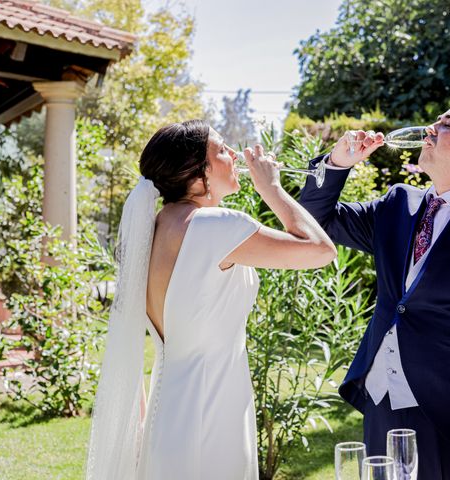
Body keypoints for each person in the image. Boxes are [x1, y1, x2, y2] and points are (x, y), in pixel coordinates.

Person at [299, 99, 450, 480]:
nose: (429, 128)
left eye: (445, 125)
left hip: (449, 418)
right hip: (380, 402)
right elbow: (315, 221)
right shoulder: (396, 205)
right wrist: (337, 164)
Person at [86, 119, 336, 480]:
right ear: (195, 172)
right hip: (214, 408)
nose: (234, 154)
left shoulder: (149, 232)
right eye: (221, 149)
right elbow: (320, 251)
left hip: (165, 408)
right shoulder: (217, 226)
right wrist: (272, 189)